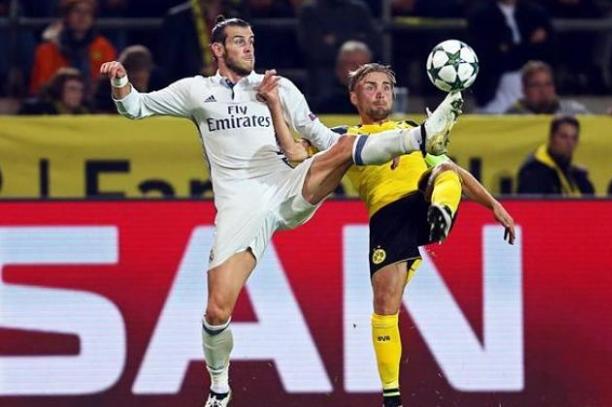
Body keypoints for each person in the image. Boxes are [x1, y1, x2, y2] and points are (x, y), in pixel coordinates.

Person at [100, 16, 461, 407]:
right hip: (241, 204)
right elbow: (133, 108)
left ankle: (421, 134)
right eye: (238, 41)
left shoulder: (280, 87)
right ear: (218, 50)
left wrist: (396, 146)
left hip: (288, 185)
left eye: (251, 40)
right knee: (216, 310)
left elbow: (324, 141)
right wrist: (120, 79)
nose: (248, 47)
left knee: (343, 144)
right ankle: (220, 386)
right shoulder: (195, 92)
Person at [263, 62, 516, 407]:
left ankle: (440, 212)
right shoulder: (342, 139)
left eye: (385, 86)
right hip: (389, 216)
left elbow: (454, 169)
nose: (380, 92)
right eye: (371, 86)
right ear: (353, 96)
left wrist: (493, 205)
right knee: (385, 307)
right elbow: (294, 154)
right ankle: (392, 398)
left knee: (442, 170)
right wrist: (276, 105)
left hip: (424, 199)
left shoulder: (413, 130)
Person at [467, 0, 554, 113]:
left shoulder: (534, 12)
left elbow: (547, 49)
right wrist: (529, 45)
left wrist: (511, 50)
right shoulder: (482, 15)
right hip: (494, 91)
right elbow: (492, 58)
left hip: (531, 86)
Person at [30, 0, 116, 95]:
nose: (82, 16)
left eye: (88, 12)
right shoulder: (47, 49)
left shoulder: (103, 47)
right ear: (66, 16)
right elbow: (40, 87)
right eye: (77, 11)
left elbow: (112, 82)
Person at [505, 60, 612, 120]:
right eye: (536, 85)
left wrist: (611, 117)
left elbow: (595, 130)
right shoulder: (512, 116)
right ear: (524, 89)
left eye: (548, 84)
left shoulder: (573, 110)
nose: (543, 91)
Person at [517, 115, 595, 196]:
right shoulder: (533, 170)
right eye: (564, 137)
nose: (569, 143)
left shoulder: (575, 174)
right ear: (551, 137)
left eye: (574, 138)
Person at [315, 40, 373, 113]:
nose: (358, 70)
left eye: (363, 65)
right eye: (353, 64)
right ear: (339, 68)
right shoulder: (326, 106)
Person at [20, 67, 90, 115]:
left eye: (80, 90)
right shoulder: (36, 111)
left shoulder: (85, 115)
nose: (78, 94)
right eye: (72, 89)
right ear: (59, 90)